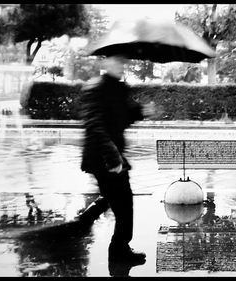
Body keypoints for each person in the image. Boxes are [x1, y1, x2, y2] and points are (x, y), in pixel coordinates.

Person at [77, 55, 154, 263]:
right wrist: (113, 158)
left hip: (113, 156)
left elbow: (122, 119)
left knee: (117, 199)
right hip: (103, 157)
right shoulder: (95, 88)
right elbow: (95, 126)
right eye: (117, 62)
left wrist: (141, 111)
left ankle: (85, 223)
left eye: (123, 62)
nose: (122, 66)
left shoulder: (119, 88)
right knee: (123, 202)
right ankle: (118, 251)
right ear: (105, 64)